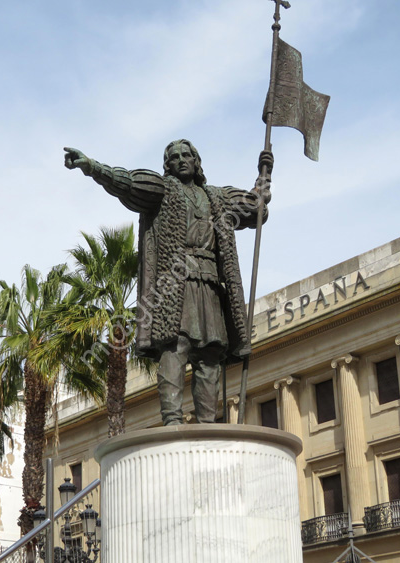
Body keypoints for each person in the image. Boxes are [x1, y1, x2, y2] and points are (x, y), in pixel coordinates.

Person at [64, 140, 272, 425]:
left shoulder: (217, 197)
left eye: (187, 155)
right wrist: (93, 168)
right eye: (174, 157)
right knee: (175, 349)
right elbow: (127, 183)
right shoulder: (162, 190)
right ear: (168, 165)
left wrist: (262, 183)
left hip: (210, 282)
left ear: (196, 161)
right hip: (175, 284)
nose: (181, 160)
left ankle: (207, 423)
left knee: (210, 354)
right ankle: (172, 419)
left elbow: (256, 211)